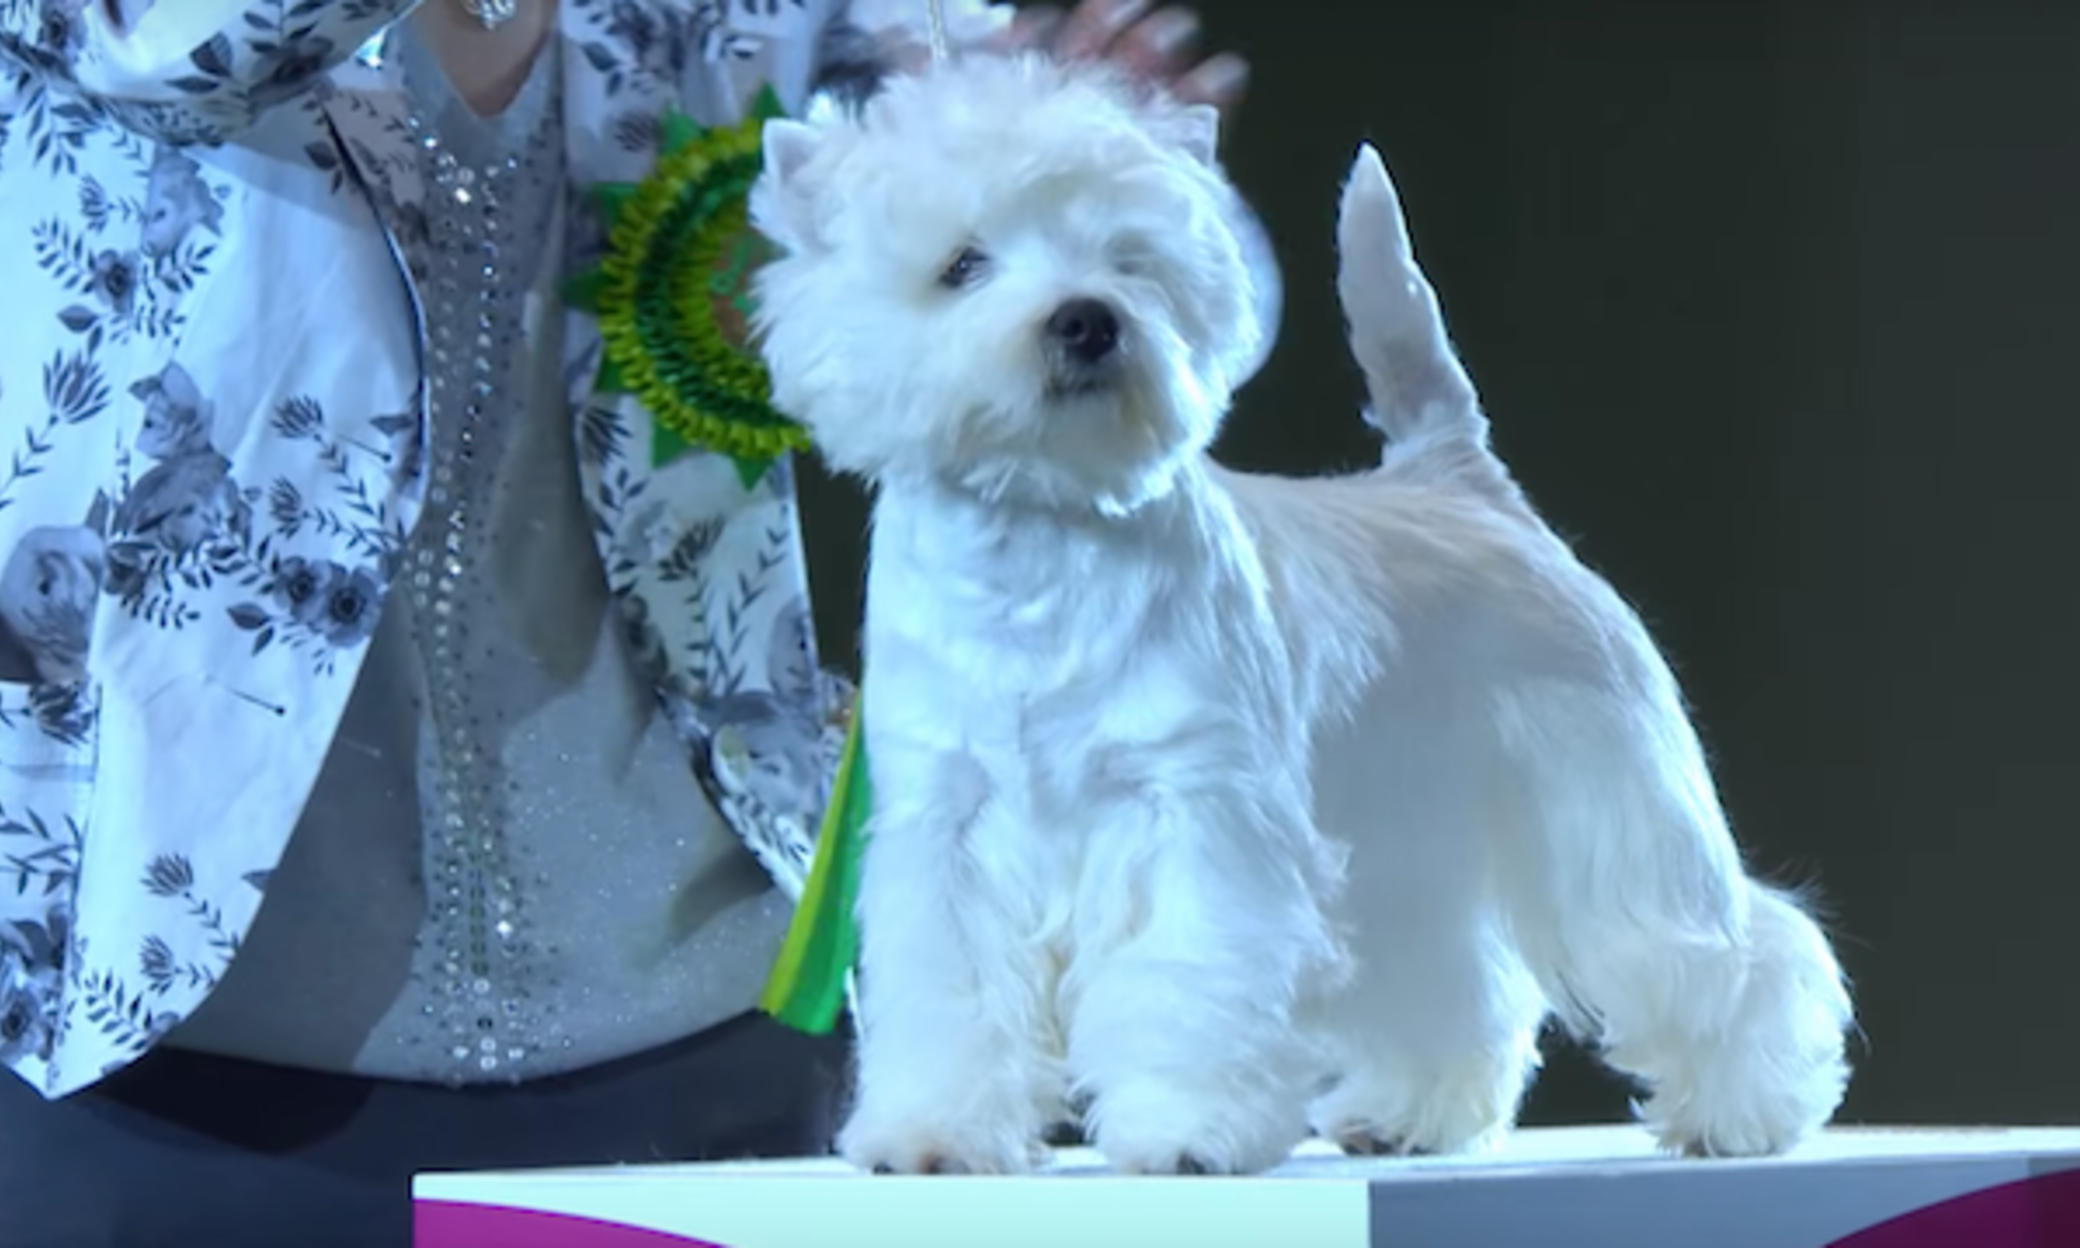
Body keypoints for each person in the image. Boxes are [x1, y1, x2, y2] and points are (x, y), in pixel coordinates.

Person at [0, 0, 1265, 1242]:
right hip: (164, 1048)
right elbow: (177, 53)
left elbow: (1185, 322)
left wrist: (1098, 147)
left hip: (694, 1041)